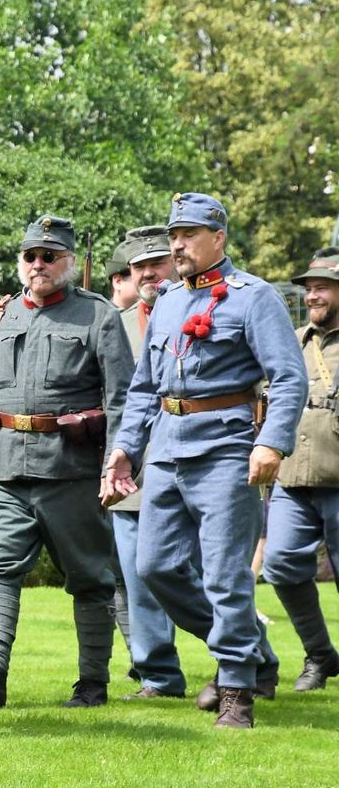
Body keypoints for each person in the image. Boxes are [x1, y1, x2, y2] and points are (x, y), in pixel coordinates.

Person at [104, 192, 305, 728]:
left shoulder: (253, 298)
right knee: (155, 567)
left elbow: (289, 377)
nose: (178, 244)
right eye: (174, 235)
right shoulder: (168, 301)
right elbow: (144, 388)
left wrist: (272, 442)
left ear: (218, 238)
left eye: (189, 234)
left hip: (226, 449)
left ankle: (237, 690)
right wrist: (125, 449)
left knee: (224, 575)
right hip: (166, 448)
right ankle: (249, 651)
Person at [0, 215, 133, 709]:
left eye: (49, 256)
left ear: (69, 262)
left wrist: (116, 462)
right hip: (7, 470)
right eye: (31, 255)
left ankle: (92, 683)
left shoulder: (98, 316)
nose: (39, 264)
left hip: (72, 471)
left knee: (90, 577)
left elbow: (122, 398)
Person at [109, 228, 191, 700]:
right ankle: (159, 675)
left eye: (156, 263)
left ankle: (244, 661)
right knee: (140, 575)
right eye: (138, 267)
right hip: (134, 471)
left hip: (201, 460)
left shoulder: (205, 308)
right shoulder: (115, 326)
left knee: (211, 575)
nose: (147, 273)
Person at [259, 249, 339, 692]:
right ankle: (320, 655)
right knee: (281, 564)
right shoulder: (292, 341)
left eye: (322, 288)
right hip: (293, 478)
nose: (312, 296)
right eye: (309, 289)